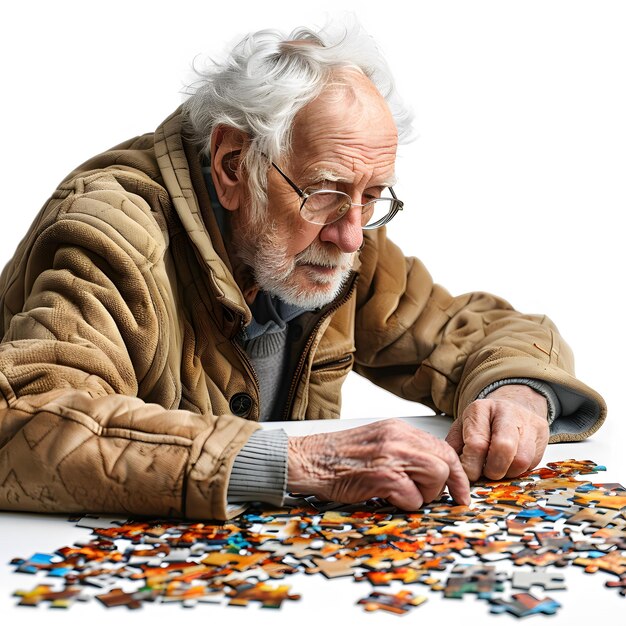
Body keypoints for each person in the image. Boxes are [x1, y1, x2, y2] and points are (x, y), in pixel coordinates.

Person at [0, 22, 606, 521]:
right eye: (323, 193)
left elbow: (470, 331)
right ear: (235, 165)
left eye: (373, 196)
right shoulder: (114, 233)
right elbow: (28, 425)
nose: (350, 234)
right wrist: (299, 462)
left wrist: (517, 394)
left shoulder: (344, 234)